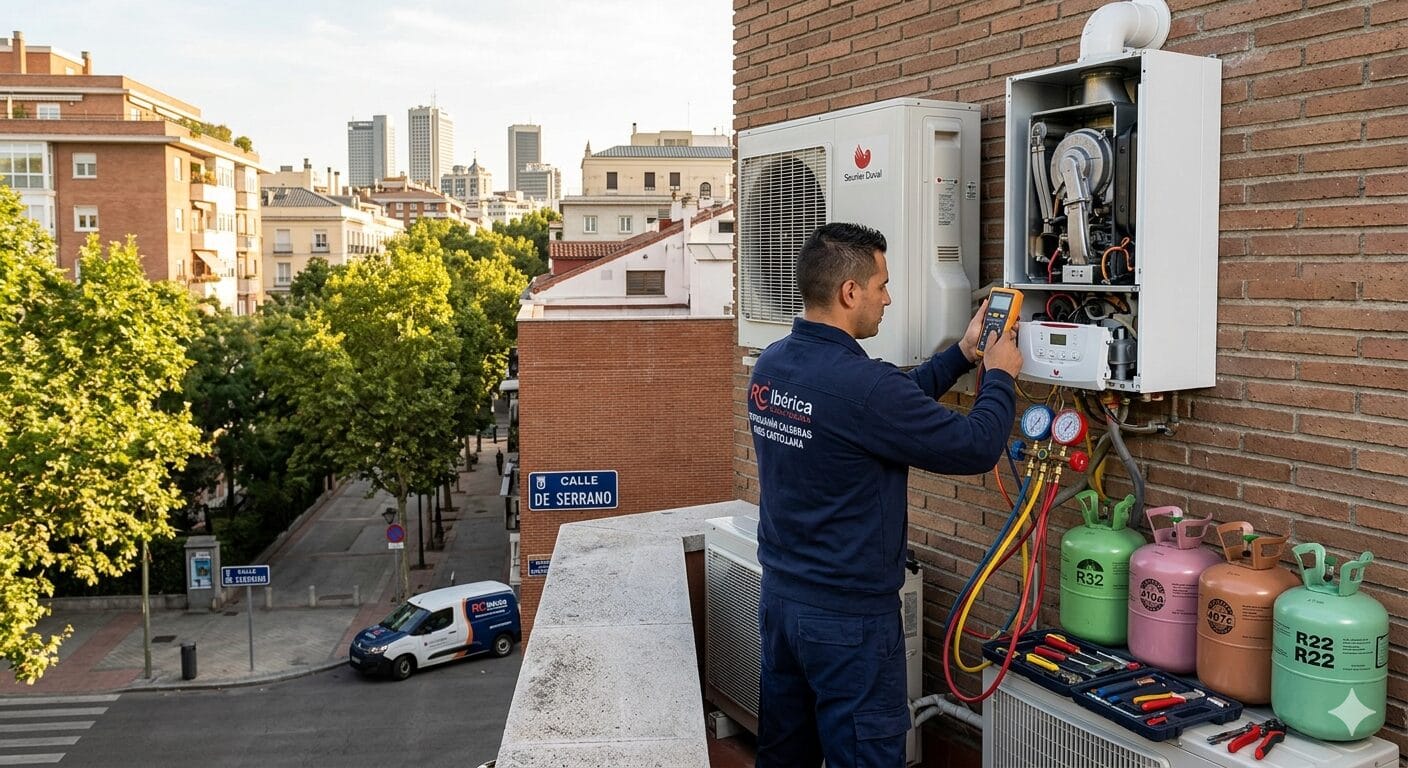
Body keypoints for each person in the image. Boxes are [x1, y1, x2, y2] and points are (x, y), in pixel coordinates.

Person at [748, 222, 1023, 768]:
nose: (888, 298)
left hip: (782, 608)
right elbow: (974, 446)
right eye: (881, 284)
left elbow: (880, 413)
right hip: (849, 627)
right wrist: (1000, 376)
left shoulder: (773, 364)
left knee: (785, 755)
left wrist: (963, 354)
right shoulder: (862, 388)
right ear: (850, 293)